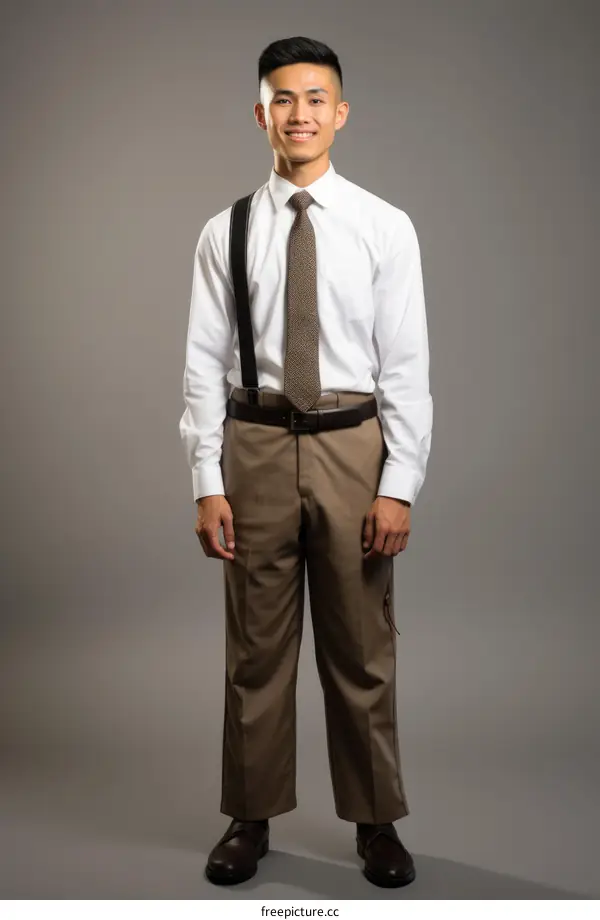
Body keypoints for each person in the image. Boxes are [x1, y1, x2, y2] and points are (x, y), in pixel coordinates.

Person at [179, 35, 433, 888]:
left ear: (341, 114)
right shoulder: (228, 230)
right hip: (253, 444)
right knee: (255, 649)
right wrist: (207, 479)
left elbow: (406, 369)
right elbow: (201, 362)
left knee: (362, 647)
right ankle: (249, 817)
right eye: (283, 99)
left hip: (352, 445)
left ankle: (376, 822)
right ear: (261, 114)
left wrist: (397, 485)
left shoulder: (384, 226)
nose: (300, 114)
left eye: (316, 98)